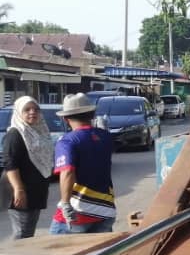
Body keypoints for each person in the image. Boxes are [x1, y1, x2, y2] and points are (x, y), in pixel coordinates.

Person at [51, 92, 115, 234]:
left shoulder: (67, 141)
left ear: (66, 119)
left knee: (57, 254)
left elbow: (67, 172)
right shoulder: (105, 136)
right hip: (106, 209)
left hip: (79, 212)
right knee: (100, 254)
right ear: (92, 115)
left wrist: (66, 204)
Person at [2, 96, 55, 239]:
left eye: (36, 109)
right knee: (22, 233)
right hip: (20, 192)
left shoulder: (39, 132)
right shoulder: (15, 134)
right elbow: (10, 164)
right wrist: (19, 190)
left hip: (35, 192)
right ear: (19, 112)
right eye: (27, 109)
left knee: (28, 232)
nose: (32, 112)